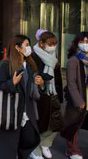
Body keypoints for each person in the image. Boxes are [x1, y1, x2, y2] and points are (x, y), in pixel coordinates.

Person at [0, 35, 44, 159]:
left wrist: (40, 83)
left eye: (29, 44)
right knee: (9, 143)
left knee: (30, 138)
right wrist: (12, 83)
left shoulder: (29, 64)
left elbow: (31, 88)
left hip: (27, 110)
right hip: (11, 110)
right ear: (17, 47)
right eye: (26, 45)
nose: (29, 48)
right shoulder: (5, 64)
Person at [30, 29, 63, 159]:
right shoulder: (33, 57)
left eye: (54, 44)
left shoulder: (53, 57)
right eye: (50, 44)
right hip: (39, 95)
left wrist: (59, 96)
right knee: (39, 124)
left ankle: (45, 143)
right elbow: (31, 75)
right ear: (41, 43)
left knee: (55, 123)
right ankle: (35, 149)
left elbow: (58, 78)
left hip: (52, 94)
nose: (52, 46)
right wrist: (41, 81)